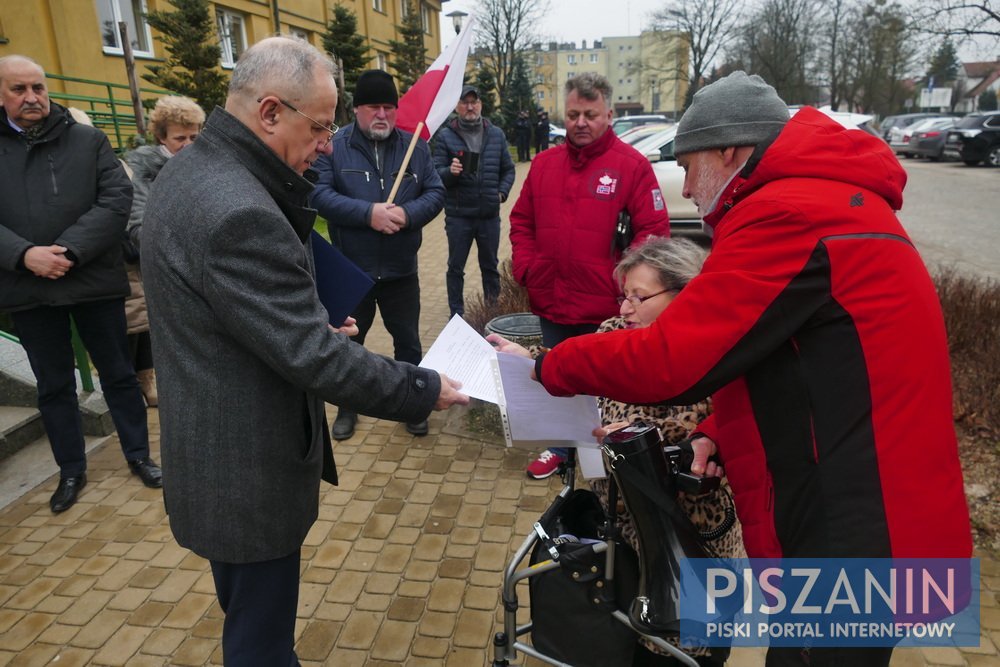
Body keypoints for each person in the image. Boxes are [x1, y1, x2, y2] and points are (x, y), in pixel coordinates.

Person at [533, 71, 972, 666]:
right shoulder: (822, 201)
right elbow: (783, 352)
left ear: (731, 152)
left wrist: (554, 363)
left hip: (853, 522)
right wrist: (718, 432)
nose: (685, 189)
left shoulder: (790, 213)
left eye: (689, 166)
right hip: (864, 499)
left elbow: (675, 361)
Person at [141, 37, 467, 665]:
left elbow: (232, 315)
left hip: (214, 457)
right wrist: (422, 388)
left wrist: (301, 321)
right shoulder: (237, 208)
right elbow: (313, 358)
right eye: (319, 126)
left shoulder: (192, 170)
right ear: (269, 112)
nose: (327, 143)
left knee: (249, 620)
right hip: (246, 473)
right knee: (261, 646)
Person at [489, 236, 744, 666]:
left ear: (687, 295)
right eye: (623, 295)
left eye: (639, 297)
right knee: (624, 637)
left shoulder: (716, 360)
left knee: (683, 649)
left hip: (687, 540)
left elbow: (715, 450)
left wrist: (644, 443)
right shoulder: (615, 331)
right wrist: (526, 360)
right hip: (620, 534)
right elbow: (578, 366)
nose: (624, 308)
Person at [0, 54, 162, 514]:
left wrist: (68, 251)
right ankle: (71, 468)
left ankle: (140, 456)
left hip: (91, 279)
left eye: (37, 87)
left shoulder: (88, 140)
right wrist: (24, 255)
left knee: (118, 374)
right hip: (27, 286)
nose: (31, 97)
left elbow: (116, 200)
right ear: (1, 94)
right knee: (53, 386)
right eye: (18, 89)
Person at [510, 72, 669, 479]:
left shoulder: (631, 167)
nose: (581, 122)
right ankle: (561, 447)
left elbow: (653, 237)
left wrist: (629, 291)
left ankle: (605, 453)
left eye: (590, 114)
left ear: (609, 114)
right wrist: (527, 267)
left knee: (607, 385)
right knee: (556, 377)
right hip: (553, 302)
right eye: (574, 114)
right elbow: (521, 221)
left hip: (604, 307)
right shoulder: (544, 164)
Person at [311, 70, 445, 441]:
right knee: (348, 345)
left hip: (403, 270)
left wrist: (408, 214)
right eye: (373, 107)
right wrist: (368, 213)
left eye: (389, 107)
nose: (382, 115)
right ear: (356, 109)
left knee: (409, 344)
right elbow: (318, 194)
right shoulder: (334, 146)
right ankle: (347, 407)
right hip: (352, 271)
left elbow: (435, 192)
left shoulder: (414, 145)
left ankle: (414, 403)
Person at [122, 95, 206, 408]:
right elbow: (140, 228)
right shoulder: (142, 171)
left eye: (195, 137)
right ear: (161, 137)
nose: (188, 144)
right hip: (162, 271)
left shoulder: (205, 165)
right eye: (179, 138)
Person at [432, 84, 516, 319]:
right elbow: (435, 173)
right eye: (465, 102)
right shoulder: (446, 136)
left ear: (480, 104)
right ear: (457, 107)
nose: (470, 107)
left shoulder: (496, 134)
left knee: (490, 267)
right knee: (455, 268)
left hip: (489, 214)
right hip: (459, 215)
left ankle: (492, 313)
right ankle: (456, 315)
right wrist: (450, 171)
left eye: (474, 102)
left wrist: (501, 193)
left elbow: (508, 170)